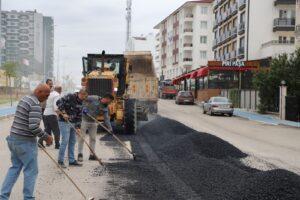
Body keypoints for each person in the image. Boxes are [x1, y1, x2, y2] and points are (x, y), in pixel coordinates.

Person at [0, 84, 53, 200]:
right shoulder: (35, 104)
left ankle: (3, 196)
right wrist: (46, 136)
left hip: (13, 139)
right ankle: (28, 198)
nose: (47, 97)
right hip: (25, 142)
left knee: (15, 168)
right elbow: (33, 127)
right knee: (31, 171)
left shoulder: (25, 99)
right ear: (38, 91)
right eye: (46, 94)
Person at [56, 89, 88, 168]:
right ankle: (60, 160)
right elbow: (58, 102)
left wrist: (78, 127)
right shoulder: (70, 96)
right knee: (65, 141)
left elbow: (79, 115)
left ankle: (71, 160)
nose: (83, 99)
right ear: (80, 94)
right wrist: (63, 113)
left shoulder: (81, 102)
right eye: (83, 97)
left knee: (73, 141)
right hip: (64, 122)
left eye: (85, 97)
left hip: (73, 123)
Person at [78, 93, 114, 162]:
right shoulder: (94, 98)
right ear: (106, 99)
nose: (110, 103)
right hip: (84, 120)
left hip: (94, 122)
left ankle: (92, 155)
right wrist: (84, 108)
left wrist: (110, 129)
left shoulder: (105, 107)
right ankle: (80, 154)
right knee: (82, 138)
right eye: (110, 101)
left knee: (93, 139)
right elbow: (84, 99)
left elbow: (106, 119)